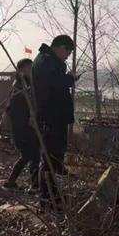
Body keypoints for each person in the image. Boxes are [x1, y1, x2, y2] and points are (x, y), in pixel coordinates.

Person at [32, 35, 78, 207]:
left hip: (53, 117)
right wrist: (70, 78)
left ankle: (52, 195)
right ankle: (47, 199)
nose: (67, 57)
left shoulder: (47, 60)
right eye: (68, 53)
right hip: (51, 118)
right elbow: (55, 84)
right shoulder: (46, 61)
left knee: (54, 158)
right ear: (62, 48)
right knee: (50, 159)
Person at [3, 58, 40, 192]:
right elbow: (13, 107)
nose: (31, 71)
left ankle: (12, 182)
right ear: (21, 71)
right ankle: (33, 186)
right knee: (32, 155)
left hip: (27, 127)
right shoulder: (19, 87)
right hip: (21, 128)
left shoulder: (28, 85)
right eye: (29, 69)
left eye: (32, 68)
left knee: (29, 156)